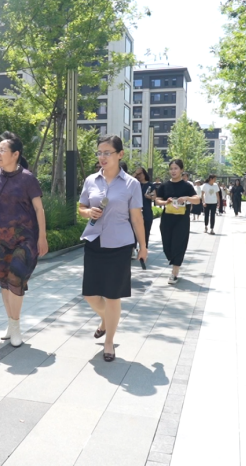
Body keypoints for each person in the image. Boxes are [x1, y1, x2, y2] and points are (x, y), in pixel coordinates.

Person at [78, 135, 147, 362]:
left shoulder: (131, 184)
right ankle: (107, 320)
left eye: (107, 152)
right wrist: (87, 212)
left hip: (120, 245)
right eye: (99, 153)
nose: (102, 157)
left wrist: (143, 247)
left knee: (112, 295)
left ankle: (109, 342)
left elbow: (136, 218)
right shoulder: (91, 180)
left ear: (120, 154)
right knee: (90, 295)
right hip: (94, 241)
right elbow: (81, 207)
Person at [0, 136, 49, 347]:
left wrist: (42, 237)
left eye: (2, 150)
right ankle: (11, 324)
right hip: (0, 238)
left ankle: (16, 326)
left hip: (25, 238)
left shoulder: (28, 178)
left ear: (15, 154)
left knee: (16, 279)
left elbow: (39, 209)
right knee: (3, 281)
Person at [155, 159, 199, 284]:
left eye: (176, 168)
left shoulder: (187, 186)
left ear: (181, 170)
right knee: (167, 246)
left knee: (179, 245)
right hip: (167, 219)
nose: (173, 171)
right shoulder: (164, 185)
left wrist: (186, 198)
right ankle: (173, 261)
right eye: (171, 169)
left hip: (182, 220)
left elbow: (197, 200)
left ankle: (174, 272)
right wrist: (166, 202)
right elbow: (157, 200)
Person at [134, 166, 156, 251]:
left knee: (146, 231)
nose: (139, 176)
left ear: (144, 174)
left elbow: (154, 197)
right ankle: (133, 248)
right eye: (137, 174)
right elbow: (126, 182)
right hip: (136, 211)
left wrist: (150, 196)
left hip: (146, 211)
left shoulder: (150, 185)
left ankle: (143, 249)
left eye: (140, 173)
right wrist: (135, 173)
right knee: (134, 231)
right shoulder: (135, 184)